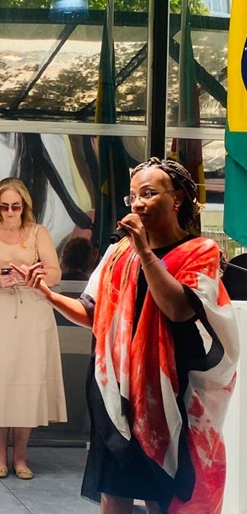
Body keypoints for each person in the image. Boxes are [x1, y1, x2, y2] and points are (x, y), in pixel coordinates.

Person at [17, 158, 239, 513]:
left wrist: (145, 252)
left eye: (148, 194)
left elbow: (178, 308)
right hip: (115, 395)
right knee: (114, 493)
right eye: (132, 196)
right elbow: (94, 315)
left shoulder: (199, 252)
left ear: (177, 197)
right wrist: (47, 294)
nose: (138, 203)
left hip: (168, 396)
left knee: (160, 497)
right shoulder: (119, 252)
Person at [0, 177, 66, 480]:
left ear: (24, 207)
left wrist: (34, 276)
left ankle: (20, 457)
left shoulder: (38, 232)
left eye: (15, 206)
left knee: (27, 382)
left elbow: (56, 272)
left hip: (32, 308)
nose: (9, 212)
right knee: (0, 380)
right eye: (4, 206)